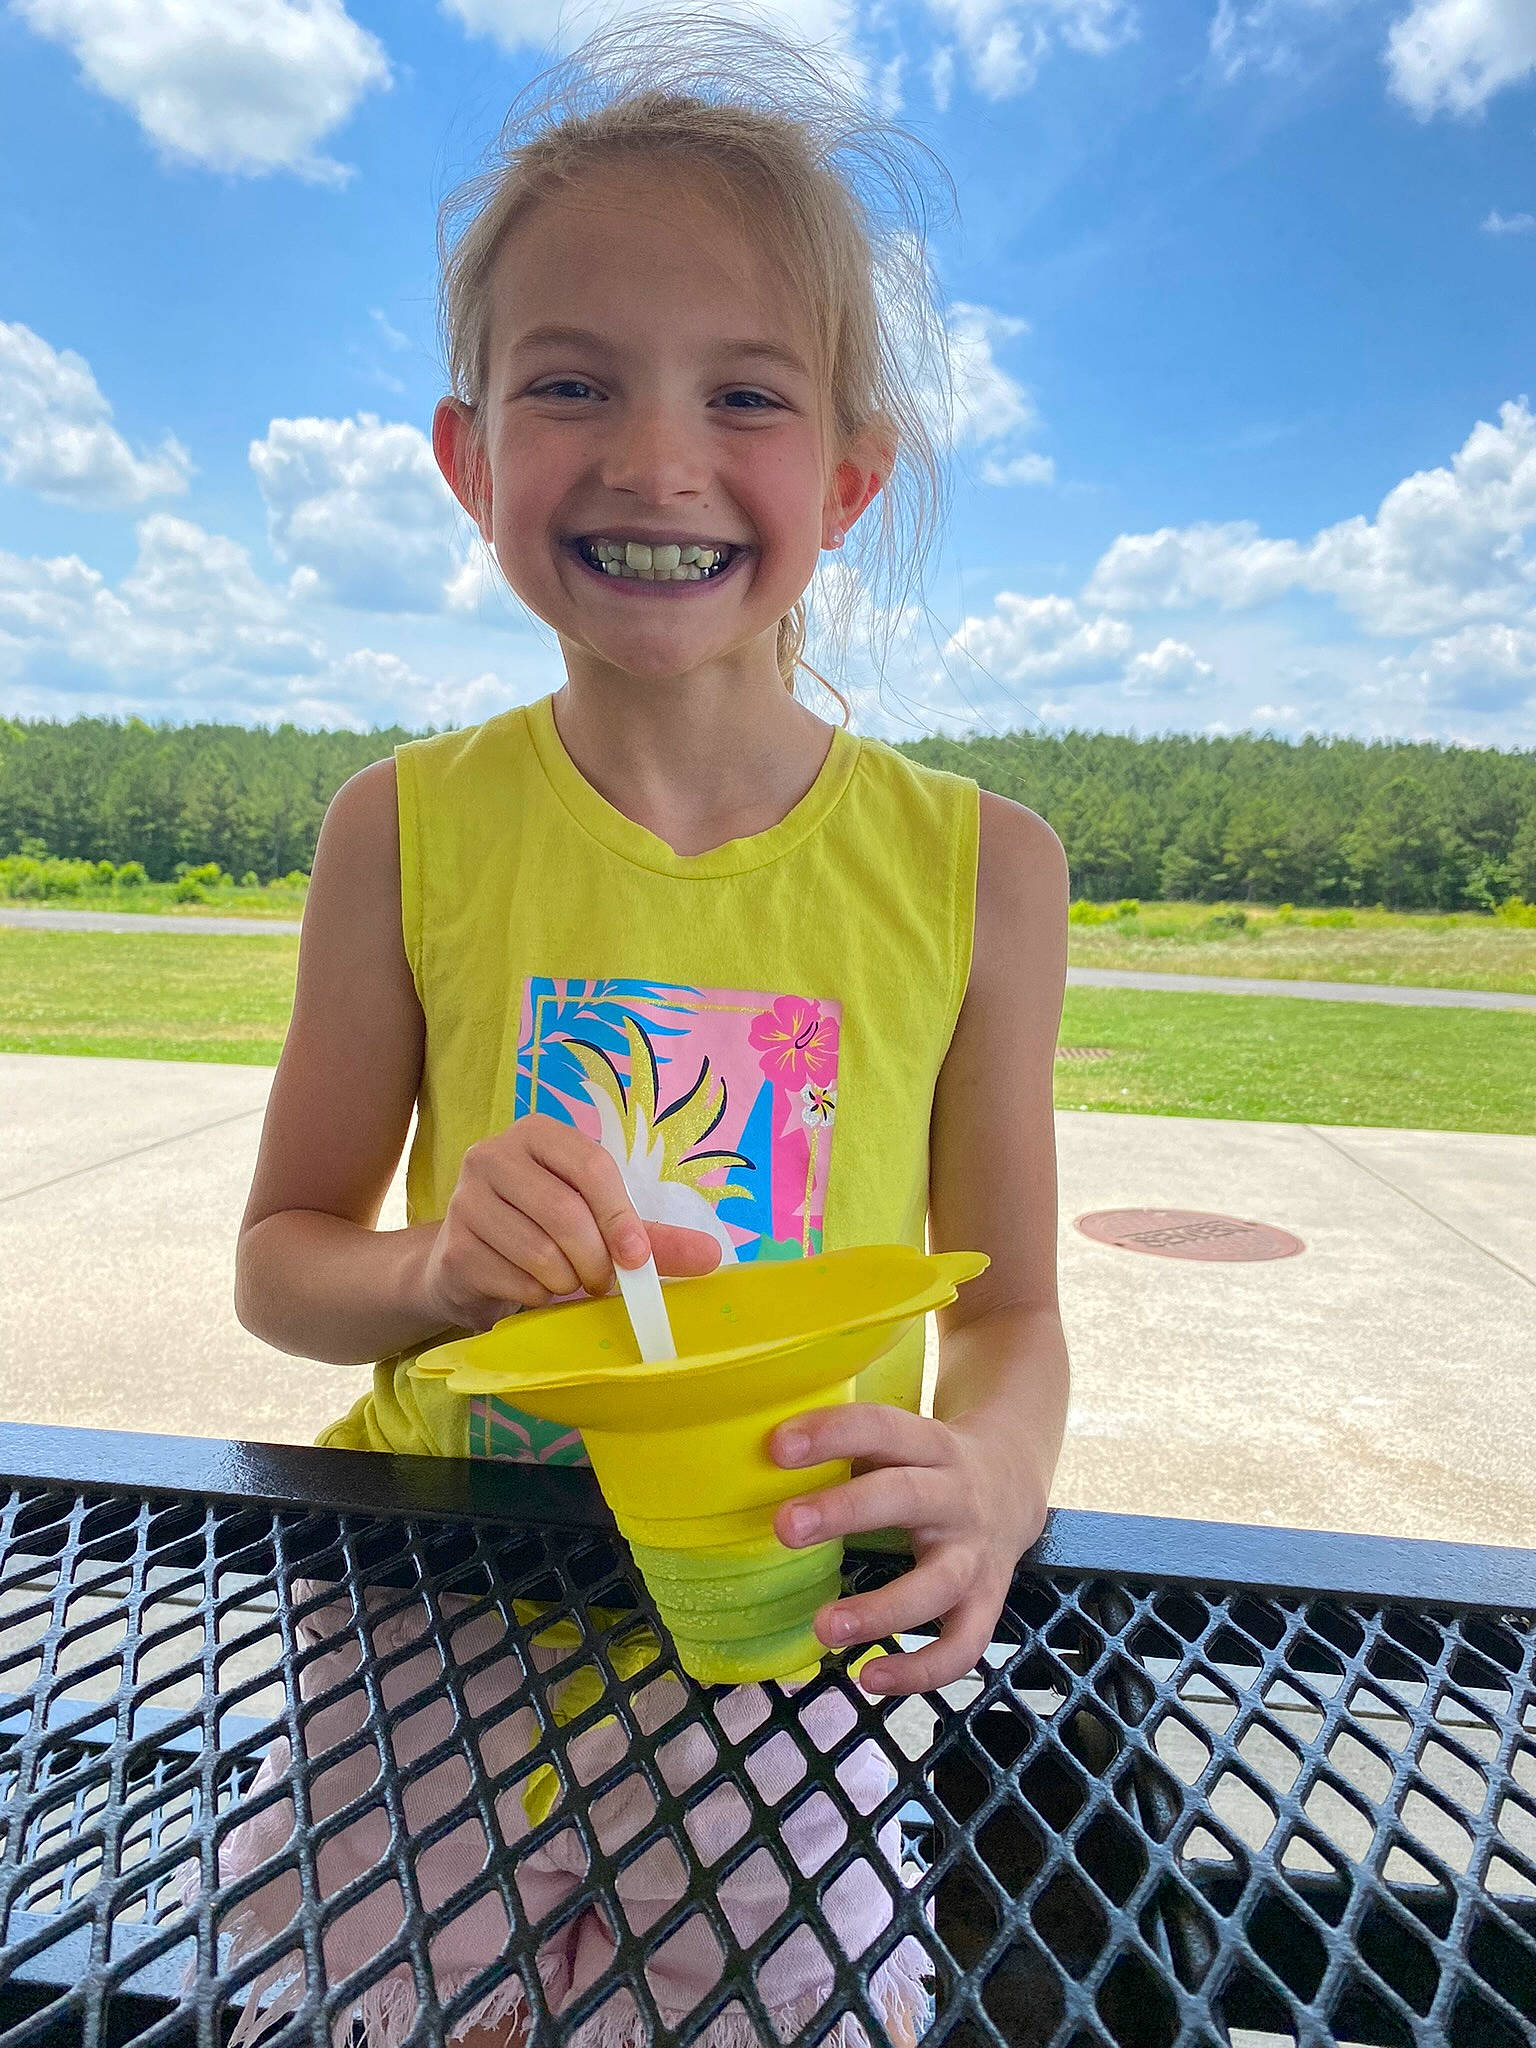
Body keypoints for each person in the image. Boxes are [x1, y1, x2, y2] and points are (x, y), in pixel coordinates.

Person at [212, 12, 1069, 2044]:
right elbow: (284, 1265)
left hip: (792, 1617)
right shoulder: (400, 829)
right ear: (470, 455)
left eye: (745, 395)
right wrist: (432, 1266)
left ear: (850, 478)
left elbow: (1014, 1313)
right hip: (433, 1592)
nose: (658, 458)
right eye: (571, 382)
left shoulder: (983, 870)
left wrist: (994, 1489)